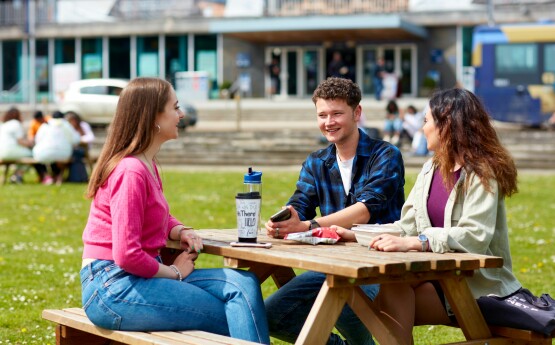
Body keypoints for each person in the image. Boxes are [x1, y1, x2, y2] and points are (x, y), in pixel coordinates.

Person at [80, 77, 270, 344]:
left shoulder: (147, 164)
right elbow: (126, 255)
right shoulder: (130, 171)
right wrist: (175, 273)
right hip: (113, 286)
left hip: (138, 277)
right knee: (234, 314)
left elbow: (155, 213)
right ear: (153, 116)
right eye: (175, 107)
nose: (181, 114)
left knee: (245, 285)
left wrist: (179, 229)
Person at [333, 88, 522, 345]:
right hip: (441, 281)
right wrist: (356, 235)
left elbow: (474, 236)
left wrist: (419, 241)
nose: (422, 129)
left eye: (426, 121)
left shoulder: (481, 173)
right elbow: (406, 226)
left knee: (373, 304)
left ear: (447, 124)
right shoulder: (430, 168)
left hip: (477, 287)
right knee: (375, 297)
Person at [264, 77, 405, 345]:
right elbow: (300, 203)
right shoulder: (317, 161)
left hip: (378, 266)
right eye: (322, 115)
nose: (329, 122)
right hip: (330, 266)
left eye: (337, 113)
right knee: (272, 315)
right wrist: (283, 220)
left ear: (357, 113)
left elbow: (364, 211)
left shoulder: (386, 155)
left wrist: (308, 226)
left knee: (341, 297)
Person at [32, 111, 80, 185]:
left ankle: (47, 177)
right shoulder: (66, 125)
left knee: (45, 156)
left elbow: (37, 140)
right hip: (63, 154)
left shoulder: (45, 125)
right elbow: (76, 140)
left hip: (44, 153)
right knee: (58, 158)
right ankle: (57, 176)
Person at [0, 107, 34, 183]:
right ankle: (18, 175)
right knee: (31, 155)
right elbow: (20, 141)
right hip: (10, 151)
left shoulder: (4, 125)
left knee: (23, 156)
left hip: (1, 152)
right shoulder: (16, 123)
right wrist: (30, 144)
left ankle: (15, 175)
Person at [65, 111, 94, 182]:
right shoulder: (68, 127)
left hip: (83, 150)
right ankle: (79, 177)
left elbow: (91, 137)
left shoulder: (83, 125)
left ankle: (77, 177)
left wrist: (79, 140)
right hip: (71, 150)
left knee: (76, 155)